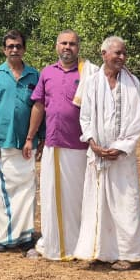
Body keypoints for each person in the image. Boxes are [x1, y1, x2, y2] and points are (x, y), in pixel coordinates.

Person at [73, 37, 140, 269]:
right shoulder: (91, 82)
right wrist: (93, 143)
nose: (122, 57)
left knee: (125, 204)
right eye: (117, 53)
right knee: (97, 203)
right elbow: (85, 117)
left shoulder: (132, 82)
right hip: (97, 155)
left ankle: (129, 255)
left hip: (122, 158)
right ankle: (99, 251)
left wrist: (120, 148)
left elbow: (136, 121)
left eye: (124, 53)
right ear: (104, 54)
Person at [28, 30, 98, 261]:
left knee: (78, 198)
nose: (68, 47)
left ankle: (80, 245)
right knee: (52, 197)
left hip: (81, 146)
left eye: (72, 44)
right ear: (56, 46)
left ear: (79, 47)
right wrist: (30, 137)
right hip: (54, 144)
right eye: (64, 43)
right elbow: (39, 106)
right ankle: (54, 244)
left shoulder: (89, 73)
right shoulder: (47, 72)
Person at [0, 30, 42, 252]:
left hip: (27, 143)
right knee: (3, 190)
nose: (14, 50)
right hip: (2, 141)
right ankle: (6, 237)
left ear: (24, 49)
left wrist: (40, 139)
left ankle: (25, 236)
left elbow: (41, 108)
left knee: (26, 190)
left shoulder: (34, 76)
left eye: (18, 46)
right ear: (4, 49)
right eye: (10, 46)